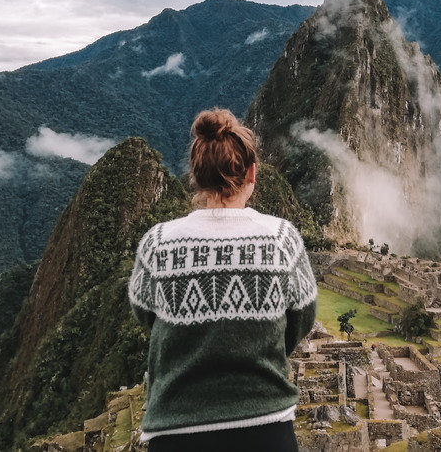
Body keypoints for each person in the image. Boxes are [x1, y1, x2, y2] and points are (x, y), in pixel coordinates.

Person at [128, 108, 318, 451]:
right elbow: (299, 320)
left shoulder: (158, 244)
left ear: (196, 176)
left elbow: (147, 315)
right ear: (252, 173)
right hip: (266, 429)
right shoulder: (281, 239)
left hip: (176, 431)